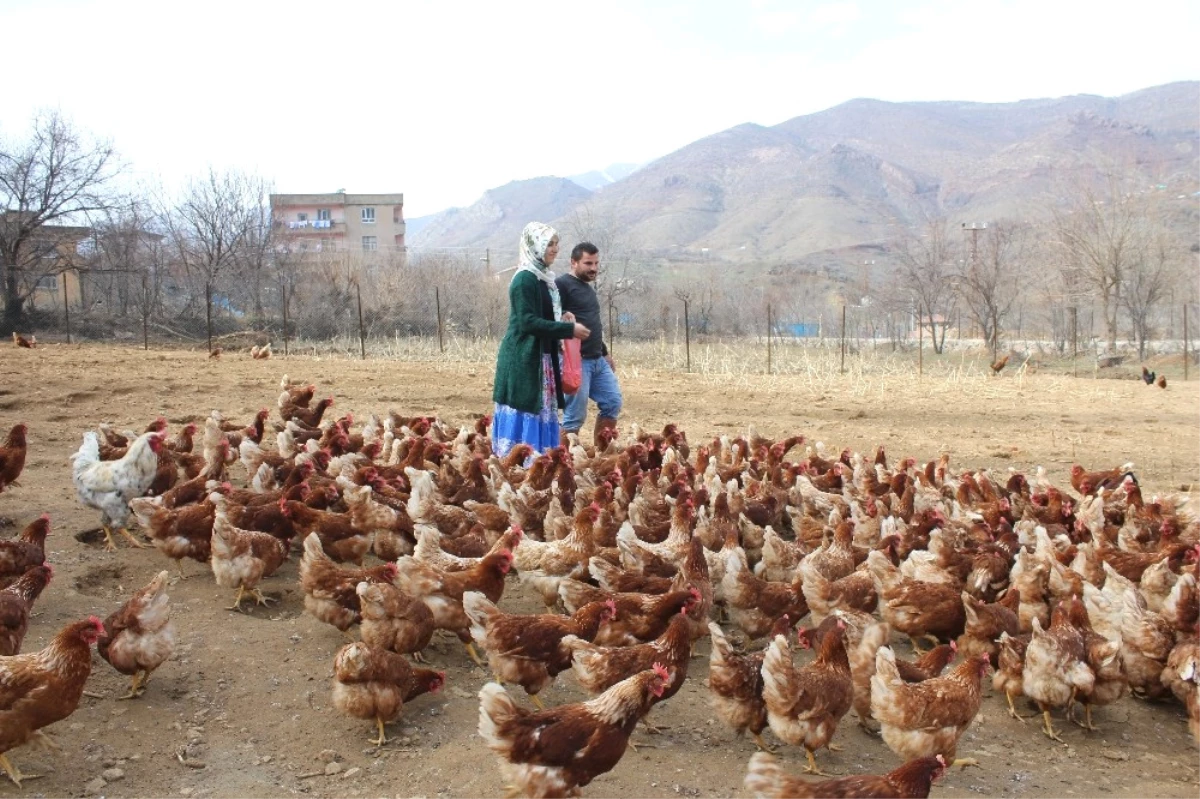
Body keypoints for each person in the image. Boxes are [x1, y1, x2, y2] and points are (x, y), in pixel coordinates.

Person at [491, 222, 590, 462]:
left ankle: (539, 463)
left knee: (540, 410)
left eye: (556, 244)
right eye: (549, 244)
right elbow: (527, 322)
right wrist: (568, 329)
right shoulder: (524, 279)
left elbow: (542, 316)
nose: (555, 249)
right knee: (527, 409)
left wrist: (561, 318)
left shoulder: (543, 278)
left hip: (541, 358)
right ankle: (520, 463)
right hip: (524, 358)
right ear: (535, 246)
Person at [555, 242, 623, 446]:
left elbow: (592, 324)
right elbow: (552, 316)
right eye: (588, 263)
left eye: (596, 263)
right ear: (573, 262)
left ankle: (603, 456)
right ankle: (562, 459)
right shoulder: (562, 285)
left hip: (597, 360)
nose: (593, 268)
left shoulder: (588, 289)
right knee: (574, 414)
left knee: (612, 402)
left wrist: (604, 352)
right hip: (576, 360)